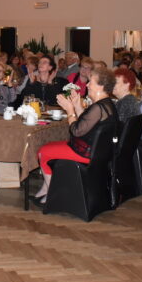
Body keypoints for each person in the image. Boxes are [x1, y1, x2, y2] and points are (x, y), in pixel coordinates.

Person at [33, 67, 118, 206]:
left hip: (86, 153)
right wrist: (77, 106)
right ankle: (46, 189)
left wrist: (70, 110)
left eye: (91, 82)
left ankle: (53, 195)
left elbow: (76, 131)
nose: (88, 85)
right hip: (98, 152)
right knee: (48, 147)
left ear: (101, 86)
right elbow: (87, 123)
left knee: (43, 152)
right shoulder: (107, 104)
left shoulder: (98, 107)